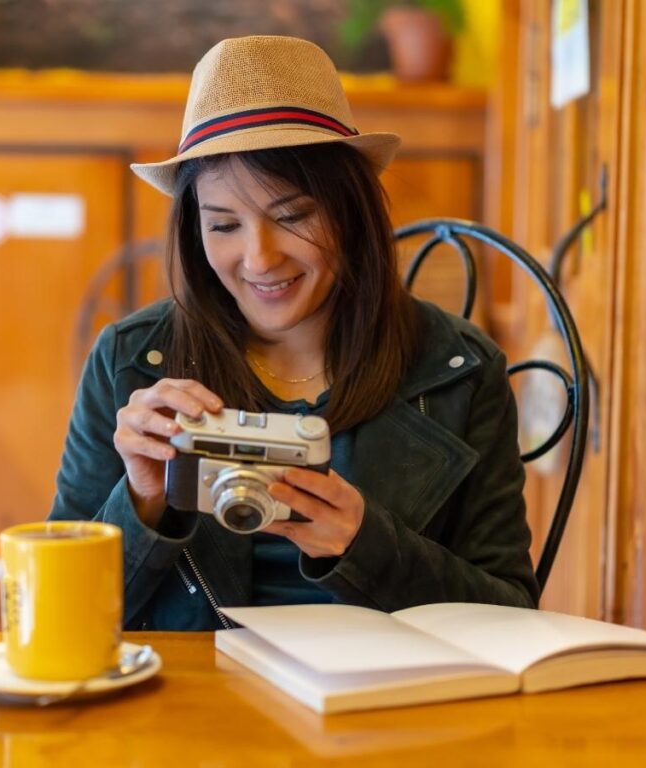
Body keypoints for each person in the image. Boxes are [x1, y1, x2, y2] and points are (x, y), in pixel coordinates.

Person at [49, 35, 538, 630]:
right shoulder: (131, 365)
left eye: (292, 216)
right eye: (224, 224)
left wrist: (367, 546)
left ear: (349, 209)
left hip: (386, 710)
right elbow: (62, 616)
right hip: (190, 711)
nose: (258, 258)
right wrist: (143, 501)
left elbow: (512, 616)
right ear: (193, 232)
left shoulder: (458, 369)